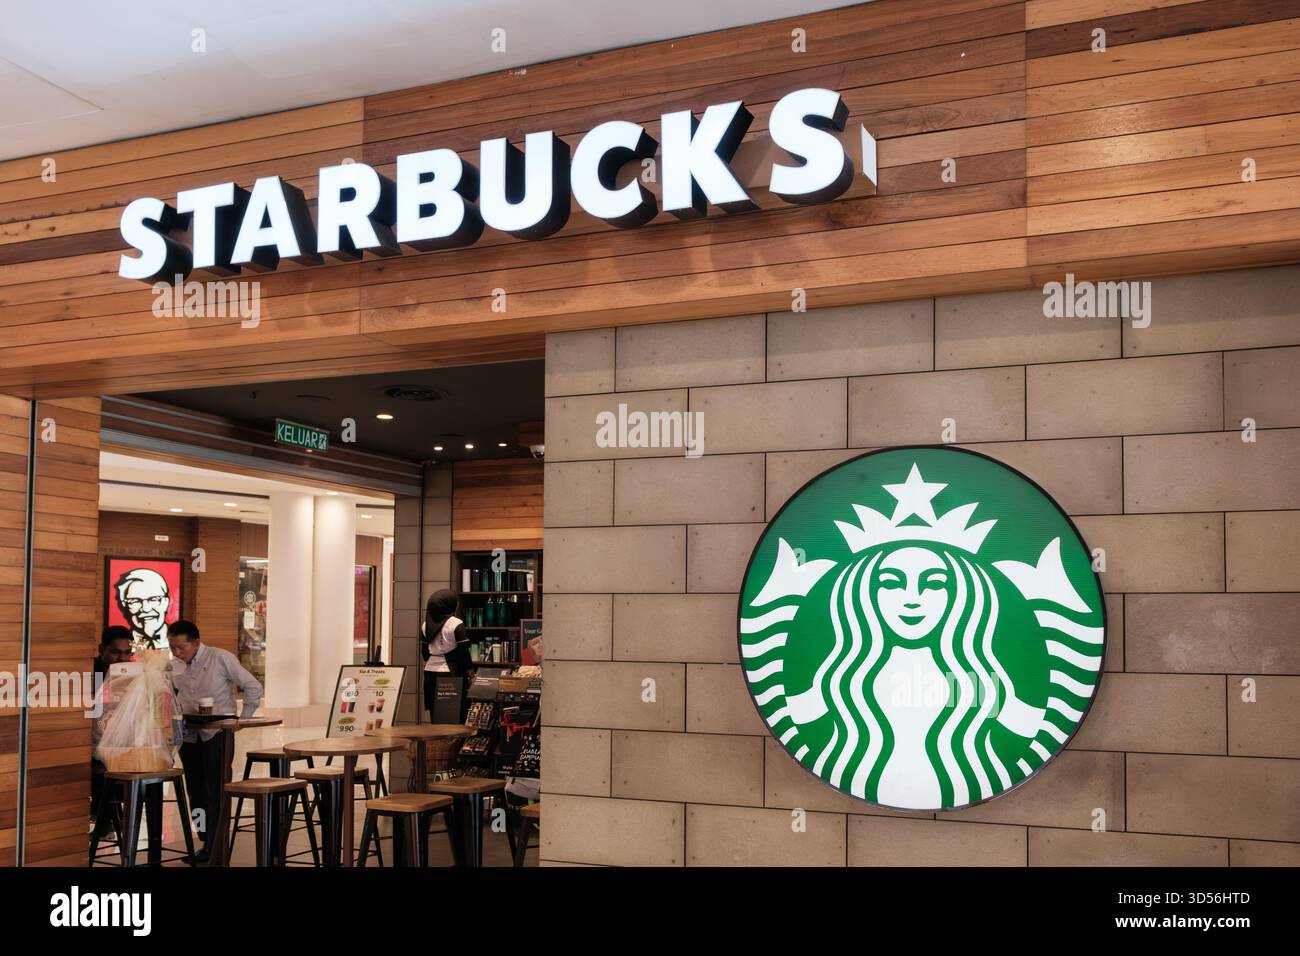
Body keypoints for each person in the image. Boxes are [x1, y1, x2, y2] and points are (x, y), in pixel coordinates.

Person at [168, 619, 263, 861]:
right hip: (189, 734)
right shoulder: (173, 666)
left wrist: (242, 720)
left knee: (216, 792)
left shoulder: (220, 658)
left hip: (217, 734)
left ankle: (217, 846)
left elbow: (253, 687)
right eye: (172, 647)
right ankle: (205, 840)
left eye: (181, 647)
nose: (176, 652)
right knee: (196, 792)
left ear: (196, 643)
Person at [91, 626, 135, 837]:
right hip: (92, 741)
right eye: (116, 652)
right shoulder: (91, 672)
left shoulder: (135, 674)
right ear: (102, 649)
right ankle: (106, 819)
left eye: (127, 653)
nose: (122, 658)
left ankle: (116, 820)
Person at [421, 589, 471, 723]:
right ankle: (451, 743)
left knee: (435, 711)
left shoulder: (426, 624)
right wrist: (471, 674)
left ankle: (436, 740)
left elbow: (425, 651)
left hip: (430, 672)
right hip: (450, 672)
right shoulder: (455, 623)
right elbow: (464, 653)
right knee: (453, 713)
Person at [113, 567, 172, 649]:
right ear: (124, 605)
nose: (145, 609)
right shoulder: (122, 647)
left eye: (153, 599)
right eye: (135, 601)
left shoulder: (177, 642)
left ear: (166, 602)